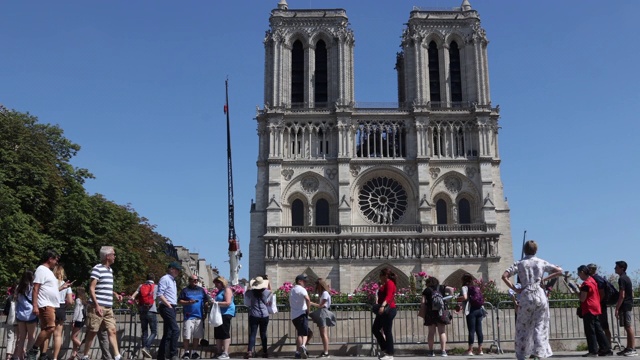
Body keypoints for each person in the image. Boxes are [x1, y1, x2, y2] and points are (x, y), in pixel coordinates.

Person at [502, 240, 563, 360]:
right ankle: (539, 353)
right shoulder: (541, 262)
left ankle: (522, 353)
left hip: (526, 295)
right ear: (536, 250)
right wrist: (544, 279)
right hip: (540, 295)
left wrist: (515, 288)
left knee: (523, 326)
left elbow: (504, 276)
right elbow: (559, 271)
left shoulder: (519, 263)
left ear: (525, 250)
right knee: (540, 325)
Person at [79, 246, 124, 360]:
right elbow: (92, 288)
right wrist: (97, 305)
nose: (115, 256)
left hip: (108, 307)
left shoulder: (110, 271)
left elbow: (105, 287)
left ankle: (117, 356)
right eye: (113, 254)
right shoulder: (97, 269)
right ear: (108, 256)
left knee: (112, 330)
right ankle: (85, 355)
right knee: (92, 332)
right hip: (97, 307)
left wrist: (115, 294)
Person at [28, 250, 73, 360]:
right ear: (50, 259)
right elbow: (36, 288)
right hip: (45, 304)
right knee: (50, 328)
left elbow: (50, 289)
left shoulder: (48, 272)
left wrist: (62, 288)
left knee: (46, 329)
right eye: (56, 259)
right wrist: (35, 305)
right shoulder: (41, 270)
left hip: (51, 304)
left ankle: (42, 355)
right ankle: (33, 350)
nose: (56, 262)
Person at [577, 265, 611, 357]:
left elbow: (582, 299)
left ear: (583, 273)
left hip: (589, 308)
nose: (578, 276)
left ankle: (593, 351)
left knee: (590, 330)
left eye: (579, 273)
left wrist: (576, 292)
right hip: (596, 307)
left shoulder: (585, 284)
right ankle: (606, 348)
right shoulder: (592, 281)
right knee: (598, 329)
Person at [178, 274, 212, 359]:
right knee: (187, 336)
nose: (196, 281)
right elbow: (179, 301)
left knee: (197, 336)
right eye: (194, 280)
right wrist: (188, 302)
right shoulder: (185, 290)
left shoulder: (201, 290)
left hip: (199, 316)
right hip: (188, 316)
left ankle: (194, 352)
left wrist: (206, 312)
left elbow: (206, 301)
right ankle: (186, 352)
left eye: (197, 280)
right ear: (190, 281)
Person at [422, 276, 454, 357]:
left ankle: (431, 351)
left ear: (428, 283)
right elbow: (452, 289)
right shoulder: (442, 287)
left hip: (430, 312)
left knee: (431, 332)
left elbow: (422, 302)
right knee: (442, 332)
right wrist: (448, 297)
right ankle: (443, 351)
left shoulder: (427, 290)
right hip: (441, 311)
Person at [157, 262, 182, 360]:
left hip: (171, 306)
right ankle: (173, 354)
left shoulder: (173, 281)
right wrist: (168, 305)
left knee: (168, 332)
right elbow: (160, 294)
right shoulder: (165, 279)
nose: (177, 272)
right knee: (175, 329)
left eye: (178, 270)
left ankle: (161, 355)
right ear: (171, 269)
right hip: (167, 306)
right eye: (176, 269)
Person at [243, 276, 271, 359]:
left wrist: (251, 283)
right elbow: (271, 290)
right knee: (263, 334)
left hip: (254, 315)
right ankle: (265, 352)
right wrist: (268, 281)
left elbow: (246, 292)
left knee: (253, 334)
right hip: (264, 315)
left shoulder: (251, 293)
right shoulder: (266, 292)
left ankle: (250, 351)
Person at [130, 274, 158, 358]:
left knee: (144, 332)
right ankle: (146, 348)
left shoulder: (141, 286)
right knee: (154, 331)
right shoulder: (156, 286)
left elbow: (132, 297)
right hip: (151, 311)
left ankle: (144, 353)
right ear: (154, 278)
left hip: (142, 311)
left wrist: (138, 306)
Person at [372, 268, 398, 360]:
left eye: (381, 275)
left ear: (385, 276)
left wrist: (382, 306)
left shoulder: (390, 283)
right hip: (383, 311)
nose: (379, 278)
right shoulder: (385, 284)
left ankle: (390, 354)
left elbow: (389, 296)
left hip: (388, 309)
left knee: (387, 331)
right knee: (375, 329)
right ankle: (385, 349)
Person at [458, 273, 484, 356]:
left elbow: (465, 298)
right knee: (479, 330)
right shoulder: (476, 287)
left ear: (463, 280)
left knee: (471, 330)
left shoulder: (465, 287)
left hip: (471, 310)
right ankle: (480, 350)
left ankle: (470, 350)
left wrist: (457, 298)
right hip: (479, 309)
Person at [309, 278, 336, 358]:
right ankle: (325, 351)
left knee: (324, 334)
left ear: (320, 285)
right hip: (323, 312)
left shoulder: (324, 293)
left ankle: (326, 352)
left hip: (323, 312)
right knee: (323, 334)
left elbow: (321, 305)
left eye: (317, 285)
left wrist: (311, 303)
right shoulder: (325, 293)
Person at [614, 261, 636, 356]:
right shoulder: (626, 278)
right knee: (627, 327)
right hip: (627, 304)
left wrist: (617, 308)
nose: (615, 269)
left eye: (616, 267)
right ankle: (628, 347)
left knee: (628, 326)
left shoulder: (622, 279)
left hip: (626, 305)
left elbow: (622, 295)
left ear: (622, 268)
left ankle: (632, 349)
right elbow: (632, 292)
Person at [51, 265, 73, 360]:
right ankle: (55, 357)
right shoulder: (65, 284)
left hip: (50, 307)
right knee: (58, 334)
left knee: (47, 332)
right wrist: (66, 306)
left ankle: (43, 354)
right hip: (61, 307)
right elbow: (70, 301)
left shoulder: (50, 283)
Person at [15, 271, 38, 360]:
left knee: (22, 337)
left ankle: (20, 356)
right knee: (31, 337)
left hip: (20, 315)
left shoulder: (18, 287)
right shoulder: (32, 288)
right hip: (31, 314)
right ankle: (29, 357)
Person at [587, 264, 612, 344]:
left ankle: (608, 345)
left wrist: (597, 303)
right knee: (601, 326)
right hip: (599, 305)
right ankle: (605, 345)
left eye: (588, 269)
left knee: (604, 326)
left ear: (591, 270)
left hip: (600, 305)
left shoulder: (597, 279)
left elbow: (602, 293)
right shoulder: (593, 278)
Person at [213, 276, 236, 360]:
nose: (216, 285)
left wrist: (216, 303)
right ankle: (219, 351)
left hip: (226, 313)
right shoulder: (220, 291)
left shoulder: (227, 290)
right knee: (218, 333)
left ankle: (225, 352)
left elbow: (227, 302)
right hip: (220, 313)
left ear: (222, 283)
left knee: (224, 331)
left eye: (217, 283)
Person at [289, 274, 311, 359]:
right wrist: (308, 310)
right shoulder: (302, 289)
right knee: (304, 333)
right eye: (304, 281)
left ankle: (298, 352)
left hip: (294, 316)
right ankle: (303, 346)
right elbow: (308, 299)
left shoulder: (292, 290)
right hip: (302, 314)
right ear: (299, 281)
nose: (305, 283)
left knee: (299, 333)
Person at [70, 287, 87, 360]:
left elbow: (76, 311)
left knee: (73, 337)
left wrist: (73, 320)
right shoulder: (83, 301)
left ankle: (84, 349)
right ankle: (74, 355)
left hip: (78, 320)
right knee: (75, 336)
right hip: (82, 320)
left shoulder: (77, 300)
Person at [5, 281, 18, 360]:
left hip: (10, 321)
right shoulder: (20, 299)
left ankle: (8, 356)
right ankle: (15, 355)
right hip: (18, 321)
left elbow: (5, 311)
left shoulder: (9, 298)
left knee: (10, 339)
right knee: (17, 339)